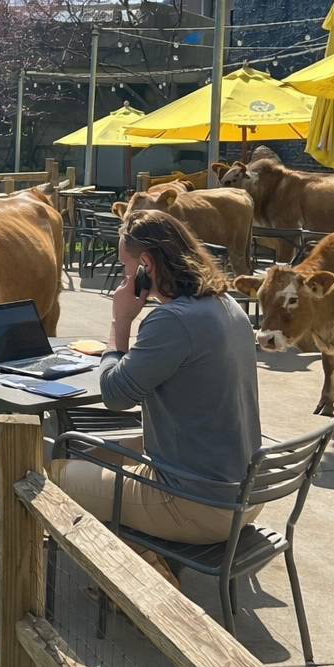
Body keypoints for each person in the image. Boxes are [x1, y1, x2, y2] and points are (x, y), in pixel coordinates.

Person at [49, 208, 261, 586]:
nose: (123, 277)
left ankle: (146, 577)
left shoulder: (171, 320)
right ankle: (145, 557)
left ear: (146, 265)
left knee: (46, 476)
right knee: (89, 454)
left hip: (196, 505)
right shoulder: (226, 304)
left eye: (125, 267)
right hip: (244, 494)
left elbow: (115, 395)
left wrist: (120, 322)